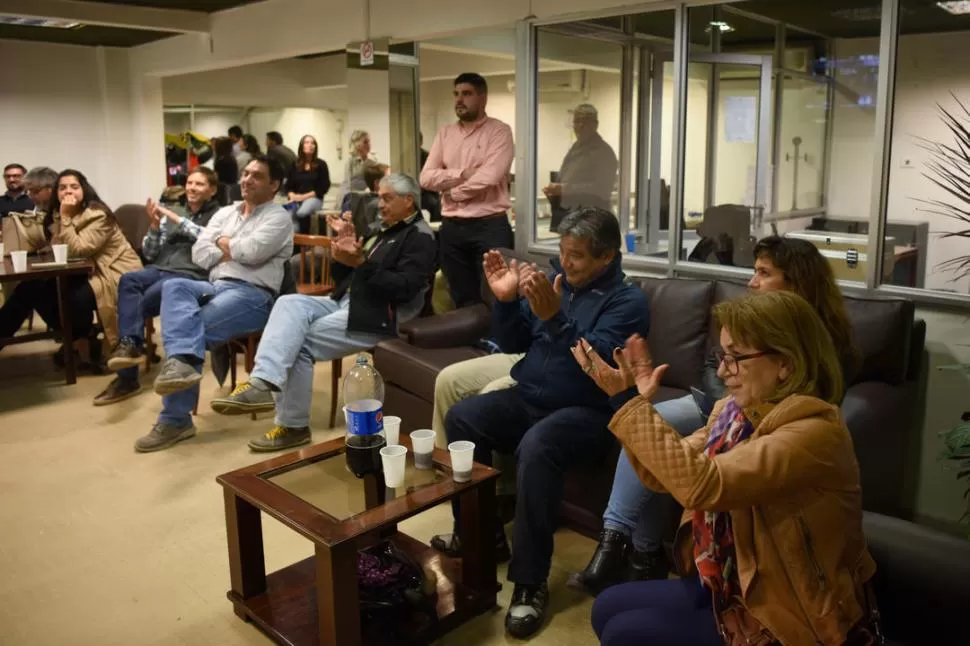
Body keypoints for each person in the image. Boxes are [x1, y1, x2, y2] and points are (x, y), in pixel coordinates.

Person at [579, 291, 880, 646]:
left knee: (623, 633)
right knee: (606, 607)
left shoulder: (814, 434)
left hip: (786, 615)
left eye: (736, 358)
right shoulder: (732, 413)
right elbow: (667, 472)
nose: (722, 371)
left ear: (785, 362)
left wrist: (629, 405)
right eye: (722, 356)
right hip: (733, 585)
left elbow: (706, 483)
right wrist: (640, 405)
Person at [575, 235, 860, 596]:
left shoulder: (821, 358)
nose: (752, 282)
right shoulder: (746, 327)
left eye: (764, 273)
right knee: (656, 424)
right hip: (720, 404)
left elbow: (704, 483)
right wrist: (726, 397)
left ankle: (630, 552)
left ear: (797, 282)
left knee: (656, 423)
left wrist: (635, 404)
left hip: (754, 414)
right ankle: (625, 545)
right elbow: (716, 368)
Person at [429, 208, 650, 639]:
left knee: (537, 446)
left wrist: (555, 318)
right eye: (563, 252)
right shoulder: (558, 285)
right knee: (463, 418)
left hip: (589, 411)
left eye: (578, 256)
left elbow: (597, 364)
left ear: (606, 258)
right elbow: (513, 343)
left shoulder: (627, 301)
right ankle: (480, 535)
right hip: (532, 397)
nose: (566, 264)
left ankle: (529, 585)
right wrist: (507, 302)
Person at [210, 173, 437, 452]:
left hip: (382, 314)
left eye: (387, 198)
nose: (380, 204)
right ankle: (264, 380)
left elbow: (404, 289)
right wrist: (343, 256)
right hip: (350, 301)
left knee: (299, 343)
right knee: (288, 303)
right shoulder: (385, 230)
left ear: (409, 201)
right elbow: (350, 276)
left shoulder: (420, 237)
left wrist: (361, 262)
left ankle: (293, 427)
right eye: (379, 197)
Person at [132, 155, 293, 453]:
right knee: (175, 285)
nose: (246, 180)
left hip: (253, 295)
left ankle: (175, 419)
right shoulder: (228, 213)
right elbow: (199, 255)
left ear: (274, 185)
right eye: (245, 173)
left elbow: (251, 252)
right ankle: (177, 407)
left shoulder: (278, 217)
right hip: (215, 284)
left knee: (188, 332)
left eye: (256, 176)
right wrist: (230, 247)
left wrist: (223, 243)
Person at [92, 167, 221, 406]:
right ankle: (131, 345)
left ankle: (127, 376)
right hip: (160, 269)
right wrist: (153, 227)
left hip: (189, 277)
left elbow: (207, 239)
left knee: (140, 302)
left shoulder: (219, 216)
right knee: (129, 280)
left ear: (212, 190)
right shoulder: (176, 212)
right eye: (190, 183)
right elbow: (150, 254)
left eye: (199, 184)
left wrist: (173, 218)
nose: (192, 188)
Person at [0, 169, 142, 362]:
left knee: (73, 296)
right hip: (86, 271)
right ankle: (78, 339)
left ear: (83, 190)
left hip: (113, 274)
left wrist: (64, 217)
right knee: (31, 287)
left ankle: (80, 340)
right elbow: (61, 246)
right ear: (56, 193)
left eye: (74, 187)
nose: (68, 192)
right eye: (63, 188)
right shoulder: (61, 214)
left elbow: (79, 249)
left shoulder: (97, 214)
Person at [420, 72, 515, 308]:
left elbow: (490, 176)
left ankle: (495, 345)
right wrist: (462, 174)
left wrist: (454, 192)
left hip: (490, 227)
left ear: (483, 98)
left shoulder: (499, 131)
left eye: (467, 94)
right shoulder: (445, 134)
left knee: (497, 297)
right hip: (452, 228)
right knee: (461, 297)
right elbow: (426, 177)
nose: (459, 100)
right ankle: (468, 344)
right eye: (456, 94)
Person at [543, 104, 618, 231]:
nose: (580, 125)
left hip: (590, 221)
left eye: (585, 121)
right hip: (568, 216)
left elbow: (602, 188)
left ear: (595, 124)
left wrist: (565, 189)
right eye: (577, 121)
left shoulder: (604, 152)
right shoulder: (575, 148)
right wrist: (554, 192)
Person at [285, 134, 331, 234]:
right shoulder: (294, 164)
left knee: (302, 212)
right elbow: (288, 186)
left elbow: (324, 186)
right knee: (289, 216)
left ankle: (305, 242)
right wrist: (292, 195)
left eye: (313, 143)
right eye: (307, 142)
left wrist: (304, 197)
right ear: (302, 146)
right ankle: (298, 246)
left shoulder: (321, 164)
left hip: (314, 198)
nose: (310, 145)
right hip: (295, 199)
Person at [337, 129, 379, 209]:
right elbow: (348, 184)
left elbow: (377, 182)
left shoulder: (374, 160)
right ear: (357, 145)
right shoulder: (350, 162)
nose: (369, 144)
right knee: (349, 204)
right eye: (365, 142)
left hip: (369, 193)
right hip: (351, 193)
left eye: (369, 141)